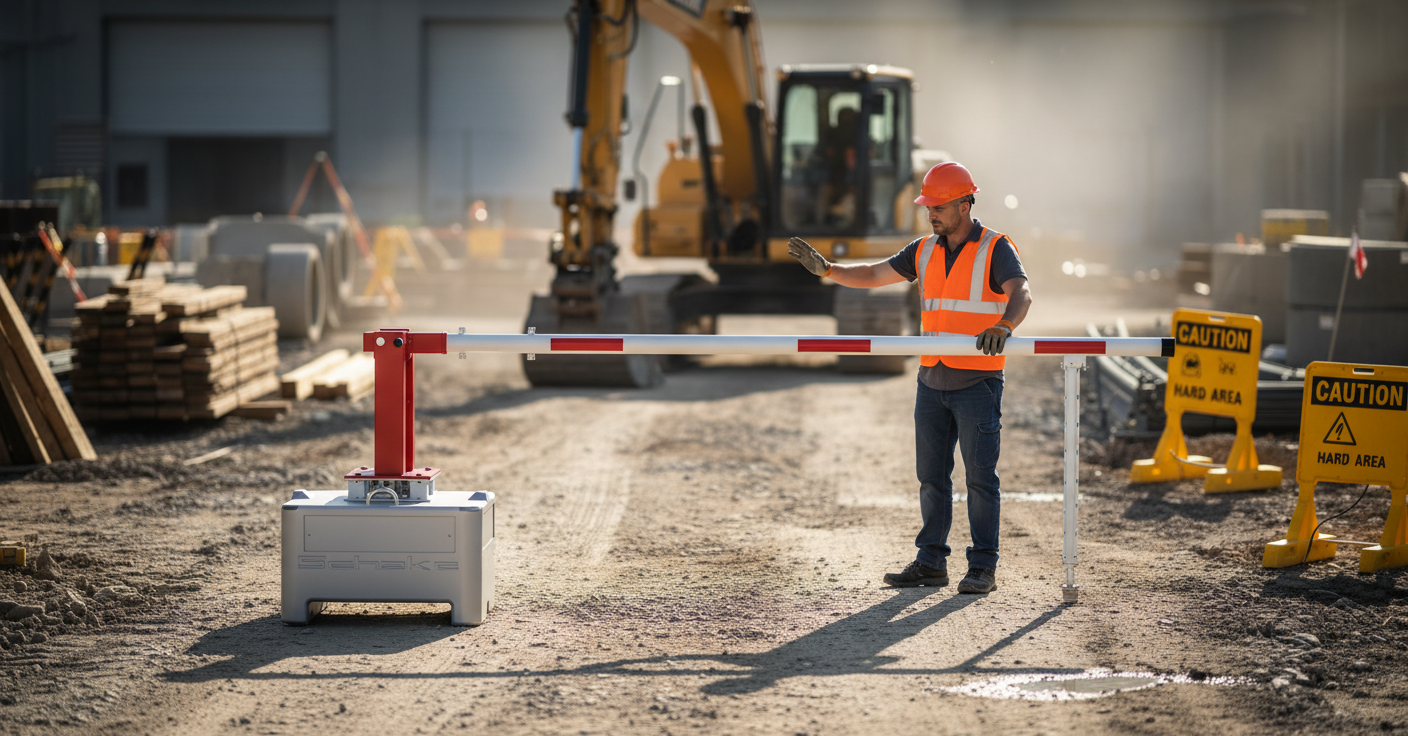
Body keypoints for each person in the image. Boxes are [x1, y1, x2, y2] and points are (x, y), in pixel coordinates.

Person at [787, 162, 1032, 594]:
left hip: (978, 382)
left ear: (964, 203)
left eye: (938, 207)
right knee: (931, 478)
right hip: (932, 380)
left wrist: (1005, 326)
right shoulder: (923, 250)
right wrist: (829, 270)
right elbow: (875, 274)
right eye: (928, 207)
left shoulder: (996, 248)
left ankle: (982, 568)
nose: (931, 214)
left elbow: (1021, 293)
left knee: (980, 479)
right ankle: (931, 562)